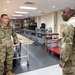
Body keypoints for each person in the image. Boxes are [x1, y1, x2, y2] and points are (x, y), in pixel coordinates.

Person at [59, 7, 75, 75]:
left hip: (70, 61)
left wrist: (63, 61)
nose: (62, 14)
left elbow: (67, 44)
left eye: (64, 12)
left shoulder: (69, 24)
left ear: (70, 13)